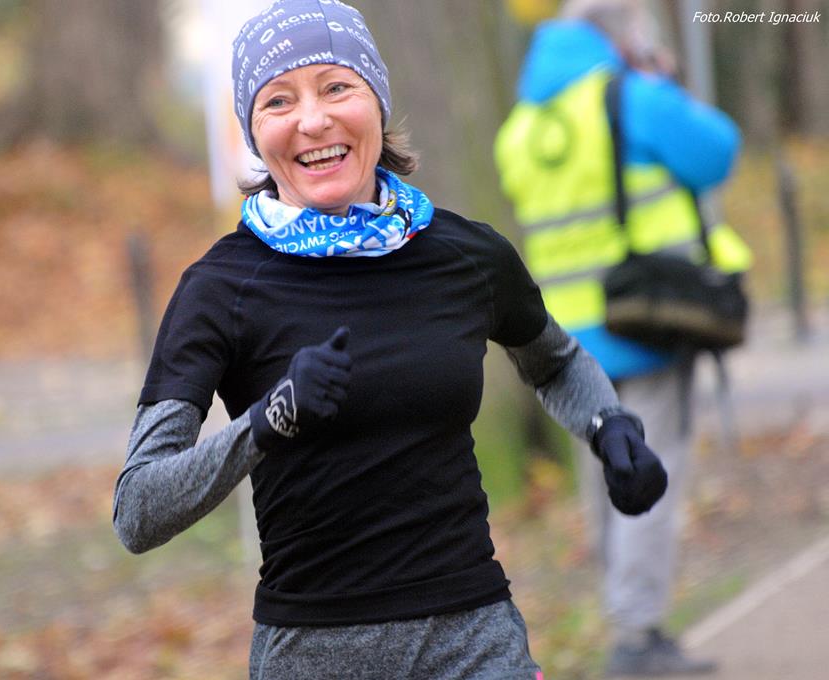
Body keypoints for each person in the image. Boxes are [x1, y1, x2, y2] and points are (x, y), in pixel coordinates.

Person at [113, 1, 668, 677]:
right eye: (278, 100)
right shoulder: (220, 287)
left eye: (336, 87)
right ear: (254, 133)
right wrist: (266, 422)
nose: (312, 120)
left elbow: (555, 363)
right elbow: (138, 510)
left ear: (377, 101)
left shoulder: (464, 254)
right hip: (312, 653)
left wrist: (609, 426)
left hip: (475, 638)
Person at [495, 0, 747, 676]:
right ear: (621, 37)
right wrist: (659, 80)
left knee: (606, 475)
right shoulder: (633, 97)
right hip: (647, 318)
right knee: (650, 472)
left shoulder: (521, 129)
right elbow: (717, 151)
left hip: (565, 343)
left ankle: (624, 617)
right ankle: (637, 637)